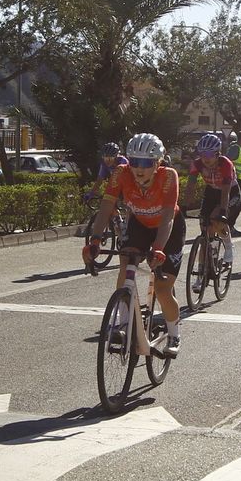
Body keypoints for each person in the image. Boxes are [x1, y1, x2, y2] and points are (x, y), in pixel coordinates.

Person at [82, 133, 185, 356]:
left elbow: (168, 216)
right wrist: (95, 240)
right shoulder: (121, 173)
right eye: (134, 161)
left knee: (162, 289)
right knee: (126, 262)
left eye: (146, 163)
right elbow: (106, 207)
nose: (139, 168)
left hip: (168, 228)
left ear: (157, 163)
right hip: (139, 223)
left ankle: (174, 333)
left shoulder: (168, 176)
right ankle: (124, 323)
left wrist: (158, 248)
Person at [184, 133, 241, 269]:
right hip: (211, 192)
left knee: (216, 219)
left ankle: (229, 247)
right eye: (202, 154)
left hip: (230, 192)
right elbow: (190, 186)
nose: (206, 158)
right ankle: (203, 270)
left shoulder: (225, 163)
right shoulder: (197, 164)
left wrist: (223, 211)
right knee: (205, 230)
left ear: (217, 153)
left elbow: (226, 190)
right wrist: (184, 206)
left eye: (209, 154)